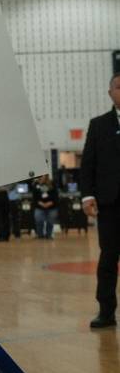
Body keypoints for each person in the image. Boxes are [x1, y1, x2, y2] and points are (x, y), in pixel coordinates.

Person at [80, 73, 120, 328]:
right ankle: (106, 311)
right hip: (110, 203)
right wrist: (87, 195)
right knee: (108, 258)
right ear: (109, 93)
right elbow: (87, 165)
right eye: (119, 86)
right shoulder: (99, 125)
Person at [32, 175, 59, 239]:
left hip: (52, 206)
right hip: (39, 206)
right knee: (38, 220)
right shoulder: (36, 184)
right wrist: (41, 203)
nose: (40, 177)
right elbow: (34, 197)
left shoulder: (52, 183)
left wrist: (50, 203)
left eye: (42, 176)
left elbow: (56, 195)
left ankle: (49, 235)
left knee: (50, 222)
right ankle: (40, 235)